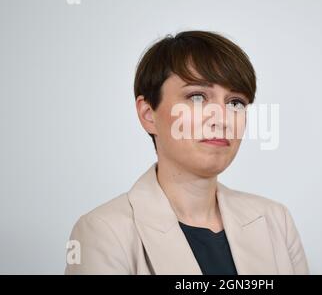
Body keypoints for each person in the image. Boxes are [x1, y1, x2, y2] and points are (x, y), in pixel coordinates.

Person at [65, 30, 309, 274]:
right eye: (197, 97)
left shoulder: (276, 221)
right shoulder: (103, 232)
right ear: (148, 114)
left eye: (235, 102)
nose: (221, 119)